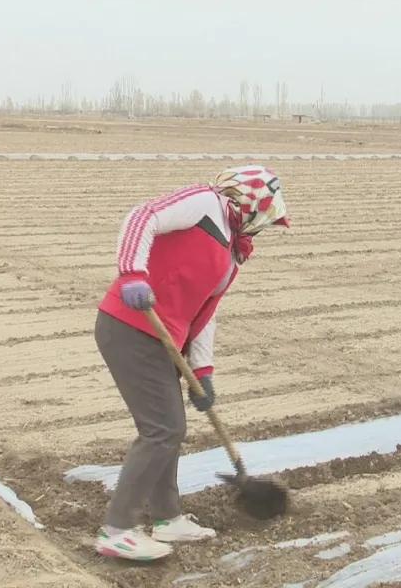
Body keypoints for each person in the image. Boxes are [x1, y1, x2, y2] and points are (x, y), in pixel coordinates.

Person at [91, 165, 290, 561]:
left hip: (166, 342)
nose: (260, 230)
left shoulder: (232, 254)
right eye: (263, 222)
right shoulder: (204, 205)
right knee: (163, 429)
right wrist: (132, 273)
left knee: (169, 430)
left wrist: (203, 371)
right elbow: (141, 217)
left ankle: (168, 519)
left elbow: (206, 312)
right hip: (130, 327)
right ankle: (117, 529)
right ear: (251, 207)